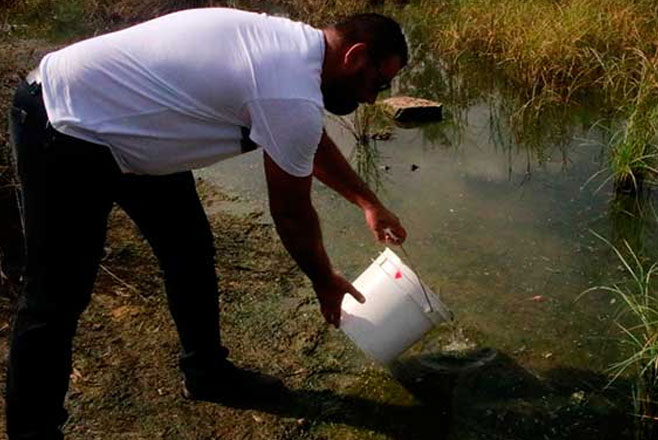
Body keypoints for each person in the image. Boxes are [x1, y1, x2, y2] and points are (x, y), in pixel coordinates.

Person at [5, 8, 408, 439]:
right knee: (55, 298)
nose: (372, 97)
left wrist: (368, 202)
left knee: (189, 252)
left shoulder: (294, 54)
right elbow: (291, 213)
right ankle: (34, 432)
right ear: (355, 55)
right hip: (67, 126)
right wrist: (324, 280)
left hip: (135, 125)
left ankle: (206, 372)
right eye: (377, 82)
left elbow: (304, 139)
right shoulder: (288, 90)